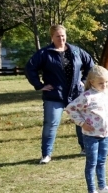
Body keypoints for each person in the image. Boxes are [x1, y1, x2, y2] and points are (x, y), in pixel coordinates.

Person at [25, 24, 94, 164]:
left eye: (63, 36)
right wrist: (39, 85)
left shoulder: (76, 51)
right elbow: (30, 68)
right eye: (58, 36)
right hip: (54, 95)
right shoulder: (44, 53)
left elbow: (90, 65)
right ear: (52, 37)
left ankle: (85, 148)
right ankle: (46, 155)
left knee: (81, 122)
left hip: (76, 94)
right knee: (51, 123)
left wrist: (84, 81)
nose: (61, 39)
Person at [65, 66, 108, 193]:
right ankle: (91, 191)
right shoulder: (87, 97)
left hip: (105, 134)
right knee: (92, 163)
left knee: (102, 161)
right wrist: (82, 123)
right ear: (91, 82)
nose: (104, 85)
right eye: (101, 83)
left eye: (106, 82)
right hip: (91, 136)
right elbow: (70, 108)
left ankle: (102, 186)